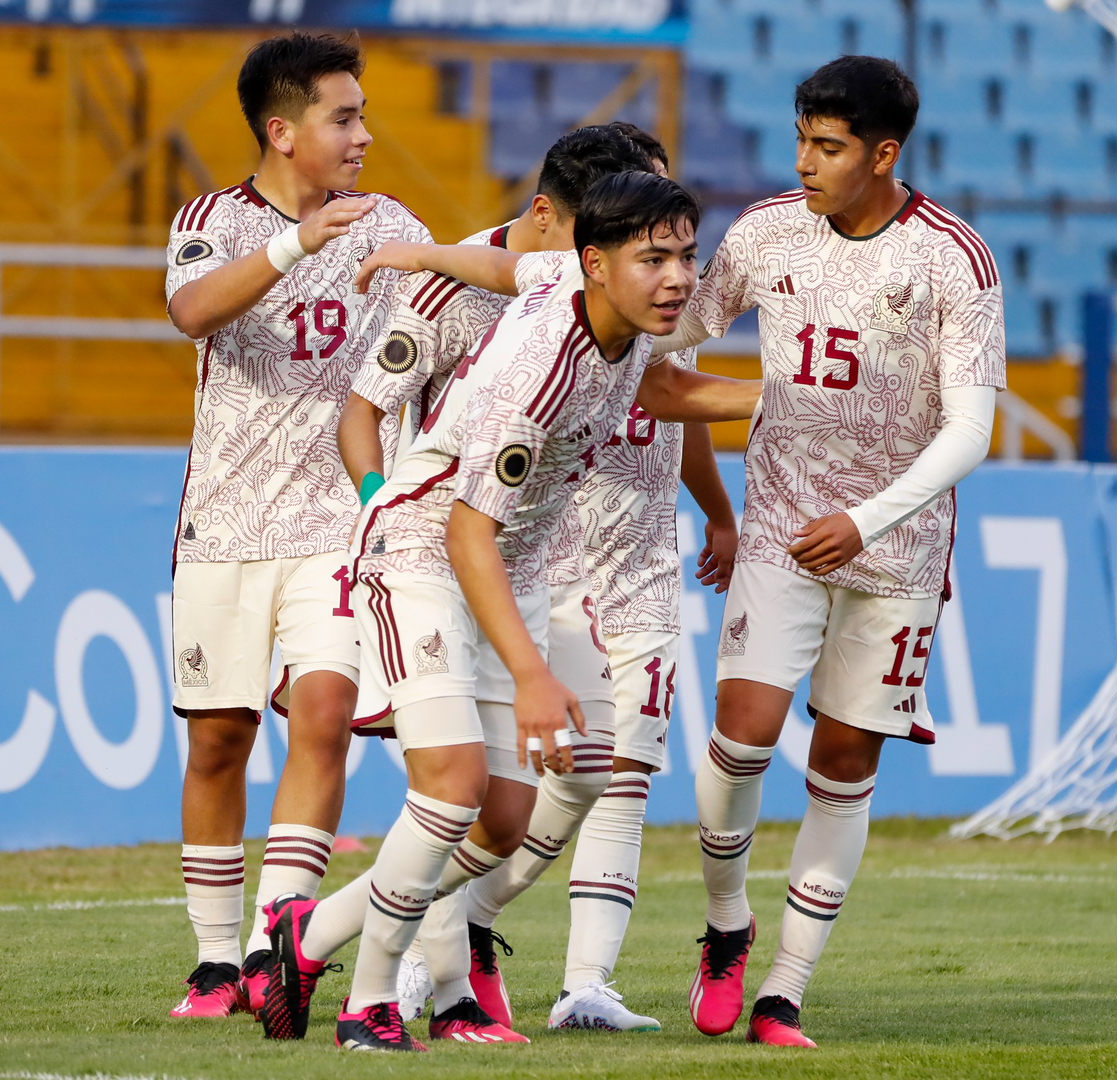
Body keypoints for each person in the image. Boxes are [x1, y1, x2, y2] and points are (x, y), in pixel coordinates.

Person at [258, 171, 762, 1051]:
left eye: (686, 254)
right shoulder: (542, 377)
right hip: (422, 555)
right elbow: (463, 533)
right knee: (451, 787)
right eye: (655, 259)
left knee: (504, 819)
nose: (679, 277)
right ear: (598, 263)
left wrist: (783, 397)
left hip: (506, 566)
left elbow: (628, 366)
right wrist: (532, 674)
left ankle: (310, 935)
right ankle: (370, 1003)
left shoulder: (582, 293)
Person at [655, 55, 1005, 1048]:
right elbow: (676, 333)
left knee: (846, 759)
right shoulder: (766, 232)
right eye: (802, 139)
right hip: (779, 528)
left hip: (896, 552)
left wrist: (869, 518)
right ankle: (727, 925)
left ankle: (784, 991)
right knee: (741, 735)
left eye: (829, 146)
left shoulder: (954, 259)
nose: (804, 161)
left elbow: (971, 431)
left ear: (883, 152)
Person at [333, 125, 664, 1037]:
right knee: (451, 786)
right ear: (564, 221)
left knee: (524, 802)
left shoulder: (596, 288)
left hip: (532, 551)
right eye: (629, 230)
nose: (655, 254)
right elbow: (363, 409)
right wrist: (378, 499)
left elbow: (654, 391)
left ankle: (328, 934)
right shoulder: (460, 296)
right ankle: (420, 990)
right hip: (438, 547)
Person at [434, 123, 743, 1034]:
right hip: (548, 543)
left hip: (643, 550)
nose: (667, 254)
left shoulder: (660, 299)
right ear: (592, 237)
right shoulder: (559, 305)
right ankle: (447, 921)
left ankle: (586, 980)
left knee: (628, 767)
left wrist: (717, 510)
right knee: (553, 777)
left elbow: (675, 399)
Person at [161, 30, 431, 1019]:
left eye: (361, 115)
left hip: (337, 527)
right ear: (282, 131)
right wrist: (294, 246)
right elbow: (191, 310)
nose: (364, 134)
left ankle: (281, 943)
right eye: (343, 116)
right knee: (220, 740)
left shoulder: (387, 223)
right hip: (225, 526)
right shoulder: (213, 220)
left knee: (324, 718)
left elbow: (441, 325)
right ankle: (213, 962)